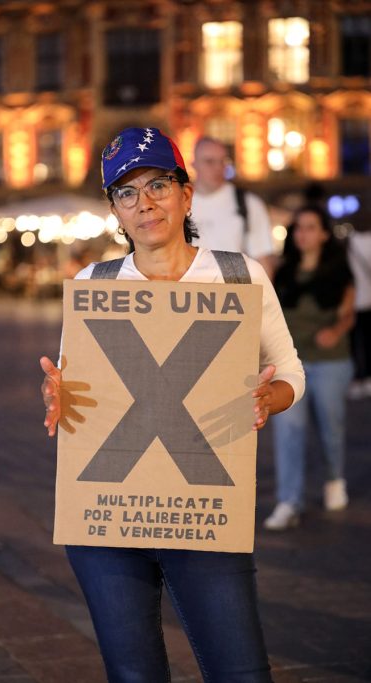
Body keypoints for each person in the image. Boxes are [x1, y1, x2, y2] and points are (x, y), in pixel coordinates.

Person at [40, 127, 305, 682]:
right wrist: (56, 394)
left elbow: (291, 374)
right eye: (127, 192)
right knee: (134, 676)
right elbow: (73, 385)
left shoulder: (237, 276)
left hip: (203, 510)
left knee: (241, 673)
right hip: (108, 518)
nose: (145, 203)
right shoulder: (95, 284)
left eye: (159, 183)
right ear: (115, 210)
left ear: (186, 195)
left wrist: (268, 397)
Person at [264, 206, 355, 532]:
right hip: (290, 364)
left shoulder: (338, 271)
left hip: (330, 361)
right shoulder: (282, 271)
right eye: (299, 228)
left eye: (311, 227)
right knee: (288, 432)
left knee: (331, 427)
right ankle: (289, 501)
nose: (303, 233)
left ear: (324, 234)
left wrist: (336, 331)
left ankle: (333, 479)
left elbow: (348, 313)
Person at [191, 136, 275, 278]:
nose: (218, 168)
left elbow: (263, 261)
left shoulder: (248, 203)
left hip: (234, 293)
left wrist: (262, 298)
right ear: (194, 164)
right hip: (191, 293)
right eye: (209, 161)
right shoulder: (179, 204)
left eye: (223, 161)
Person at [347, 227, 371, 399]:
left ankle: (358, 377)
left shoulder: (350, 241)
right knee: (368, 341)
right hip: (367, 300)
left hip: (354, 300)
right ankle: (367, 377)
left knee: (355, 342)